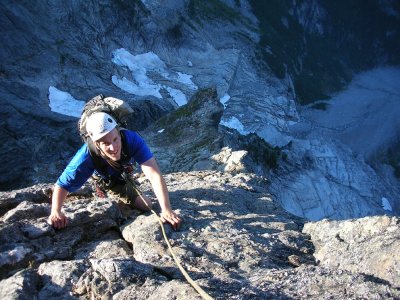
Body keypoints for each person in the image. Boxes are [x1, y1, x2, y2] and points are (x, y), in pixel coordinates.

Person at [47, 111, 182, 230]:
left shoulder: (132, 139)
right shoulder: (85, 157)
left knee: (146, 202)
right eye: (105, 143)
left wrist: (166, 209)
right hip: (108, 176)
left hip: (123, 168)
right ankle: (101, 184)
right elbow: (62, 184)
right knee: (146, 204)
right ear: (96, 144)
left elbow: (153, 174)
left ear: (119, 131)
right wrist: (56, 211)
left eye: (115, 139)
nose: (113, 147)